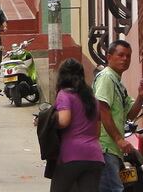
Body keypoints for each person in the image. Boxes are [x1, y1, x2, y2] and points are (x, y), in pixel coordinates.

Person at [94, 40, 143, 192]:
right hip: (105, 147)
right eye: (121, 55)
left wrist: (141, 96)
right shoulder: (106, 77)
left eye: (128, 56)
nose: (125, 59)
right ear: (109, 57)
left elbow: (130, 113)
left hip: (114, 150)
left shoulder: (117, 82)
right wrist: (119, 139)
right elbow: (102, 108)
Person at [50, 58, 104, 191]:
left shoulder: (65, 95)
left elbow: (64, 120)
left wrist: (47, 119)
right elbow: (97, 132)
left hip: (71, 155)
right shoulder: (92, 99)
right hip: (95, 156)